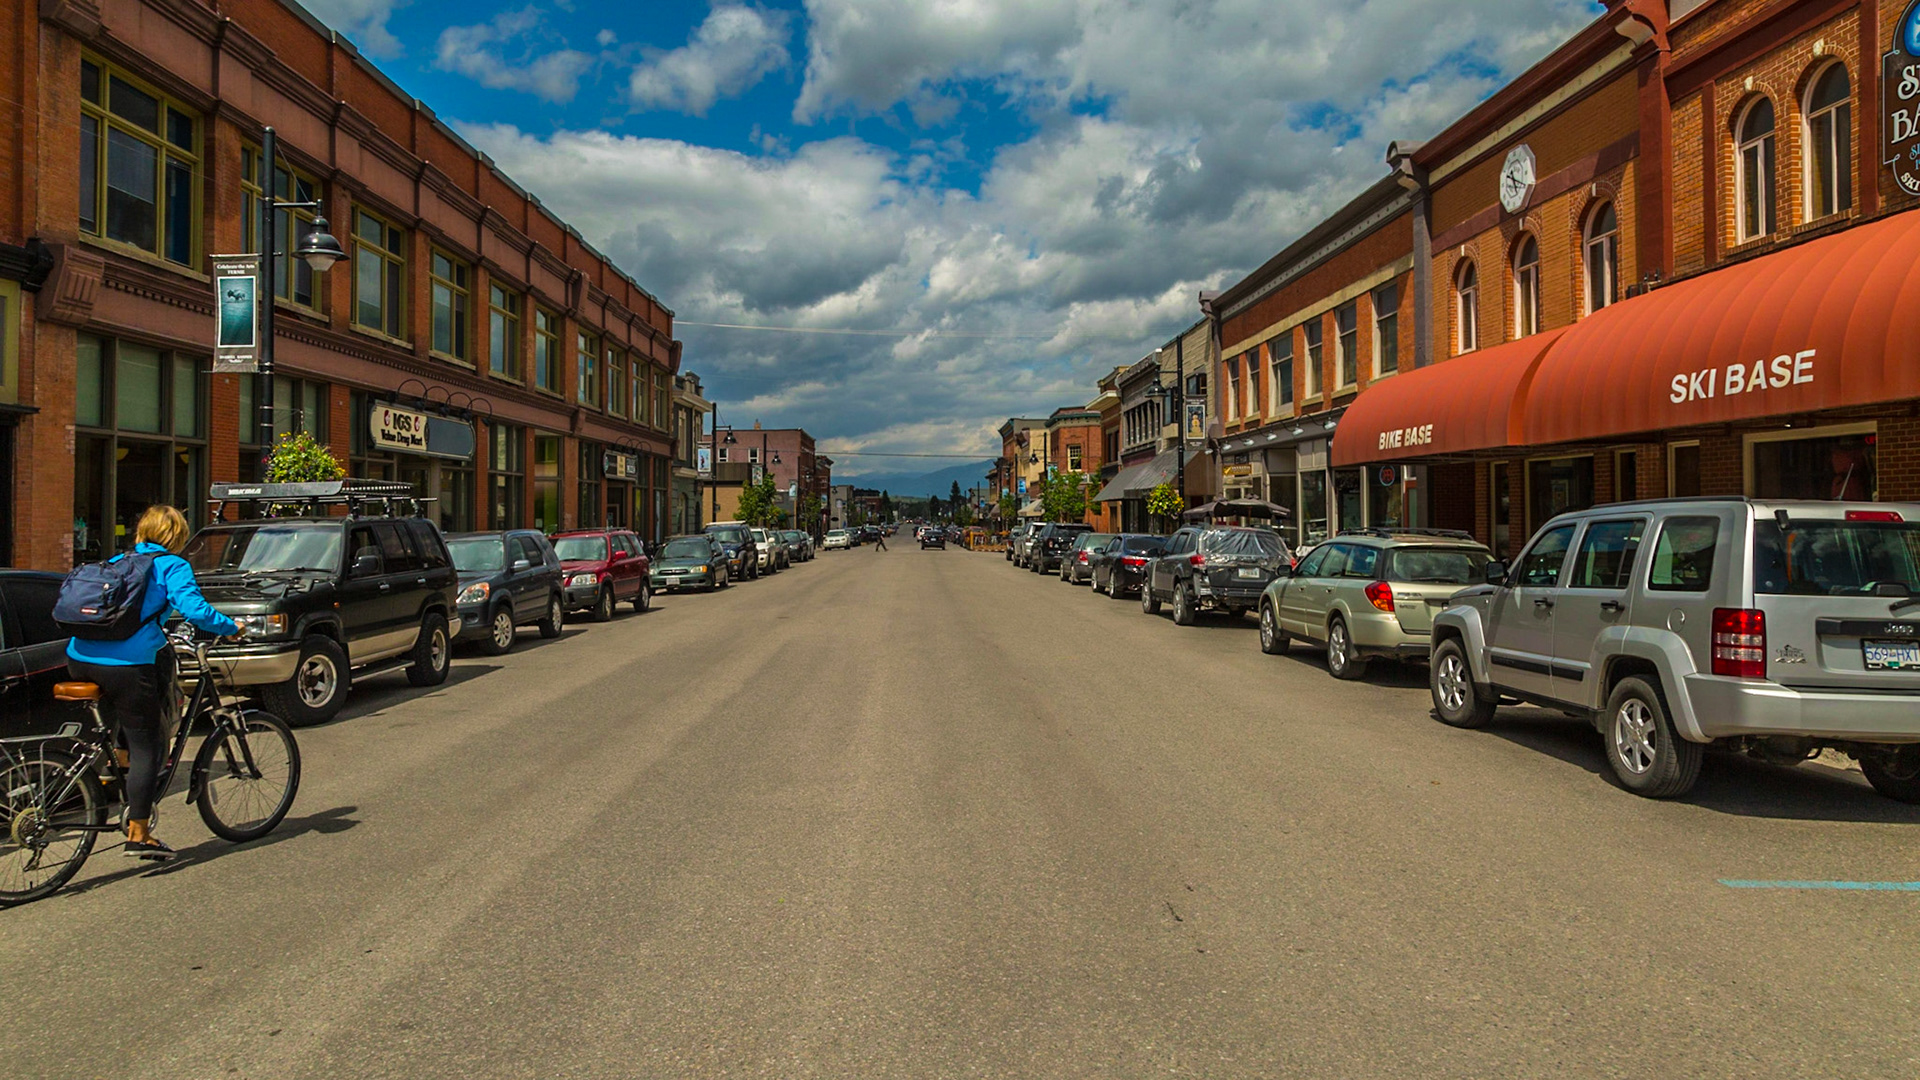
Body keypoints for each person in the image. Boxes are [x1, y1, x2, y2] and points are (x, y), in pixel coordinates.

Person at [66, 506, 238, 860]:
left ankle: (117, 775)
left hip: (78, 658)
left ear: (142, 531)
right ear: (176, 537)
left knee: (129, 729)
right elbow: (195, 610)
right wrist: (231, 627)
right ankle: (139, 833)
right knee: (149, 747)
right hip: (126, 664)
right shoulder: (171, 565)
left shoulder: (116, 560)